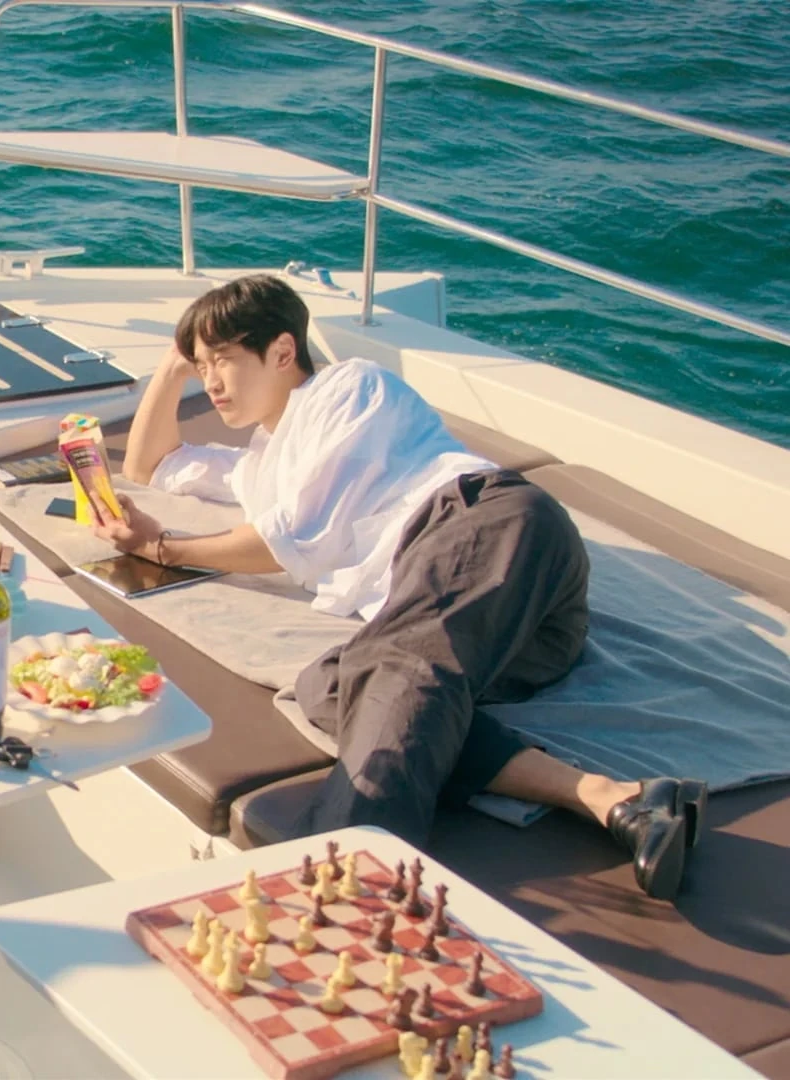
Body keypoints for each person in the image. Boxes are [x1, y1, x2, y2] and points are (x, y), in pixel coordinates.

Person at [100, 274, 702, 899]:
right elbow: (150, 466)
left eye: (222, 360)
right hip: (500, 639)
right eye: (202, 368)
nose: (211, 383)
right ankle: (611, 798)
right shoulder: (260, 466)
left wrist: (162, 548)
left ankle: (344, 890)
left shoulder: (347, 389)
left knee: (397, 671)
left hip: (485, 528)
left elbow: (286, 539)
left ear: (282, 351)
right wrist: (175, 362)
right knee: (330, 684)